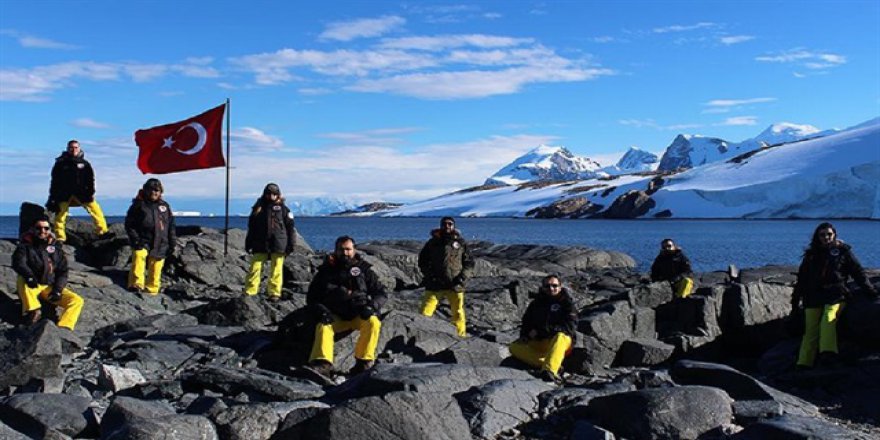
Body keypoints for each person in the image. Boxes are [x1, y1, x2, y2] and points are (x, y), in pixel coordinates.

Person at [792, 222, 877, 369]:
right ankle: (804, 363)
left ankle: (828, 354)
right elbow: (802, 279)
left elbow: (858, 272)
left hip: (836, 294)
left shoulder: (843, 252)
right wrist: (795, 302)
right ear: (817, 237)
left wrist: (869, 290)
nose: (826, 237)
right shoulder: (811, 255)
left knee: (829, 318)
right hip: (813, 297)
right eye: (822, 235)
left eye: (829, 234)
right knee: (810, 330)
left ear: (834, 235)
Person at [306, 236, 386, 376]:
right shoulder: (325, 271)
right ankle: (322, 364)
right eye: (341, 250)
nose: (345, 253)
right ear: (335, 250)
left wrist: (371, 307)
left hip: (359, 313)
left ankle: (364, 362)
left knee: (373, 323)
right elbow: (312, 298)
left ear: (354, 250)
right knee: (323, 327)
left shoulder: (364, 270)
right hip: (335, 315)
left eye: (348, 249)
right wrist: (322, 311)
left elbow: (381, 293)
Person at [12, 215, 84, 330]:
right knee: (22, 280)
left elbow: (62, 271)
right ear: (32, 229)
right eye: (38, 228)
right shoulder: (24, 247)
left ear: (50, 230)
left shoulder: (56, 249)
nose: (42, 231)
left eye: (46, 228)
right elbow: (19, 263)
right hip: (32, 284)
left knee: (76, 301)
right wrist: (30, 277)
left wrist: (57, 290)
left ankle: (64, 327)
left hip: (49, 287)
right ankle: (33, 311)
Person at [509, 275, 577, 383]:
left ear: (560, 287)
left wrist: (543, 330)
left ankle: (550, 371)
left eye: (554, 285)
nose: (551, 288)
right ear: (543, 287)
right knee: (514, 347)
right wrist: (525, 336)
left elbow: (570, 327)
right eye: (547, 286)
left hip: (561, 343)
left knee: (560, 336)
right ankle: (549, 363)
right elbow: (526, 323)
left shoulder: (567, 303)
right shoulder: (536, 304)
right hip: (541, 341)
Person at [418, 216, 474, 337]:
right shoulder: (433, 242)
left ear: (454, 226)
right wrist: (430, 276)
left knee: (458, 312)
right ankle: (419, 335)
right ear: (441, 226)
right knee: (425, 311)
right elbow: (423, 261)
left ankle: (461, 336)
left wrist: (462, 277)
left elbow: (469, 262)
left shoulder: (461, 243)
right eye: (444, 224)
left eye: (450, 224)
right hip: (435, 283)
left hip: (455, 283)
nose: (447, 226)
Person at [46, 140, 110, 243]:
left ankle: (102, 232)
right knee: (60, 216)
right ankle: (60, 237)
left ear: (79, 149)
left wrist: (90, 192)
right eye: (71, 147)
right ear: (67, 149)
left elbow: (90, 179)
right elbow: (55, 181)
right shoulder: (60, 163)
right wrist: (53, 197)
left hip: (83, 194)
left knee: (96, 211)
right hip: (64, 194)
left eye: (76, 147)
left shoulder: (85, 164)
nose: (74, 150)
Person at [244, 183, 296, 301]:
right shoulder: (258, 208)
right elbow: (251, 228)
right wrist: (249, 242)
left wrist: (291, 245)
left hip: (279, 243)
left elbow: (290, 229)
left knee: (277, 269)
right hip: (260, 243)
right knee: (255, 267)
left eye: (274, 194)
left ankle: (274, 293)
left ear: (278, 194)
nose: (271, 196)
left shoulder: (284, 210)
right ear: (265, 194)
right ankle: (250, 291)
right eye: (269, 193)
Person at [125, 178, 176, 295]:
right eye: (151, 190)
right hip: (143, 239)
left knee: (156, 265)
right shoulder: (138, 205)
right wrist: (135, 239)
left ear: (161, 192)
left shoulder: (164, 207)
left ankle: (152, 290)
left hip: (161, 241)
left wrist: (172, 243)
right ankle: (136, 284)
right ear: (146, 190)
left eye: (157, 190)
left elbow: (171, 225)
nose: (154, 193)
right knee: (139, 256)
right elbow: (129, 224)